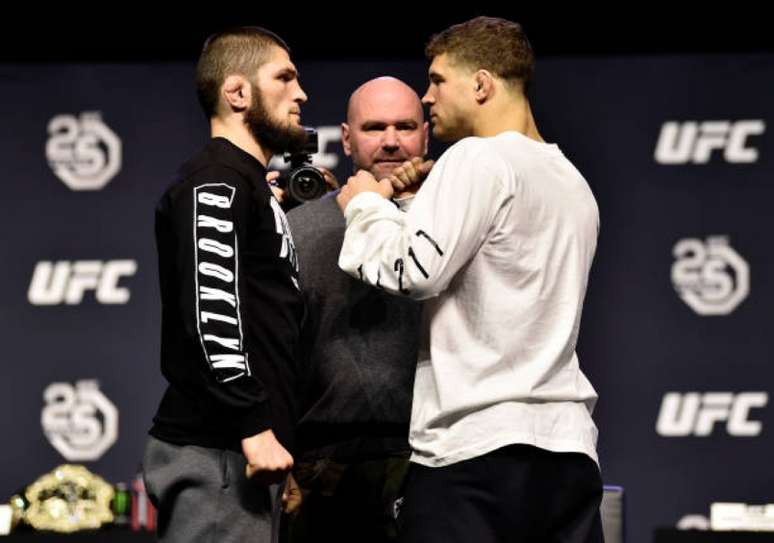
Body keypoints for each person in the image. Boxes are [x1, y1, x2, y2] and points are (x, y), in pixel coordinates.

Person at [336, 17, 603, 543]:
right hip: (567, 455)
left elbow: (413, 271)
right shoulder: (573, 181)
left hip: (475, 455)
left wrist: (366, 206)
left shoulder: (477, 157)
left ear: (481, 84)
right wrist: (413, 205)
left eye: (437, 80)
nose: (427, 97)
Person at [143, 26, 307, 543]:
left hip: (241, 453)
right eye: (284, 77)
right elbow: (210, 308)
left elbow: (266, 319)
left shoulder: (248, 185)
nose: (301, 93)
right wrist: (254, 429)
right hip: (220, 453)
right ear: (237, 93)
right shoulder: (216, 179)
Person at [284, 76, 432, 543]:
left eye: (404, 126)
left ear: (425, 133)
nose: (391, 141)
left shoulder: (454, 220)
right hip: (322, 470)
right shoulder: (297, 229)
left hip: (433, 460)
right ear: (346, 138)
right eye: (374, 127)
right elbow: (273, 354)